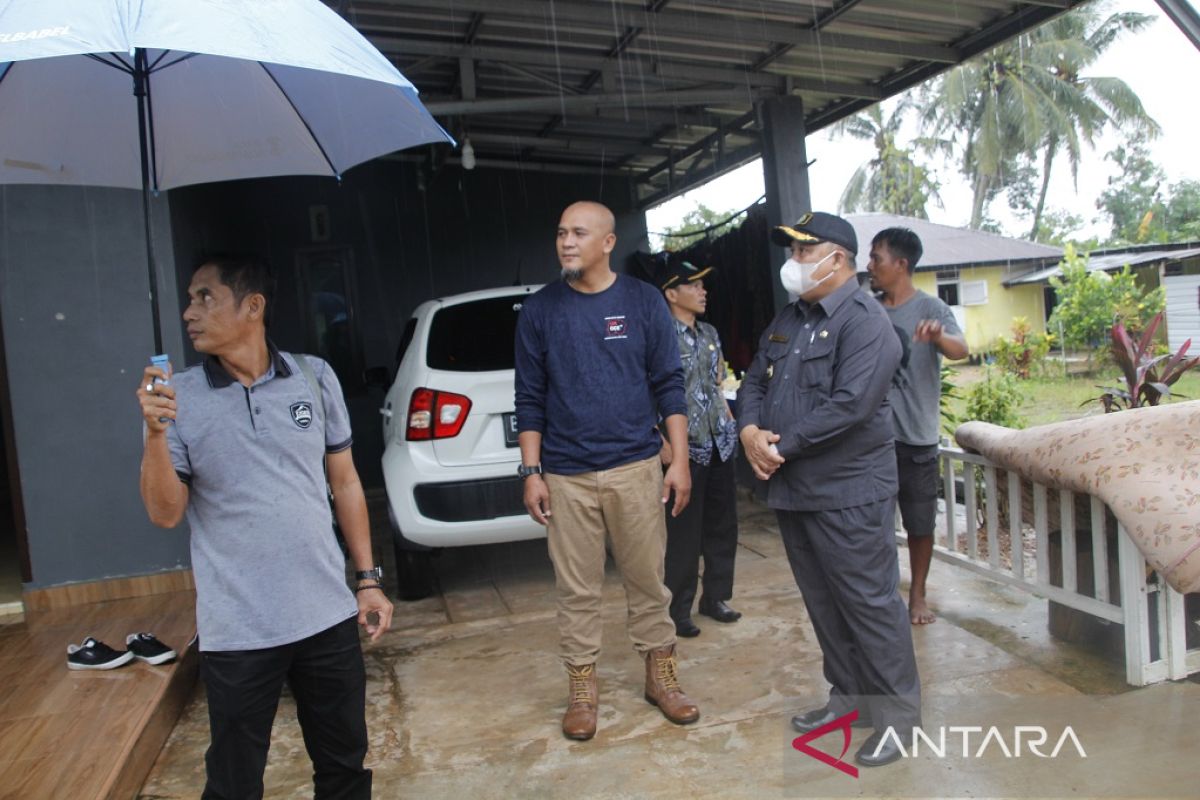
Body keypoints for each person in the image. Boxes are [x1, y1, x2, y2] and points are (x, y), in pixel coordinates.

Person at [137, 255, 392, 799]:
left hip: (324, 613)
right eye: (188, 298)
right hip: (239, 627)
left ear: (253, 306)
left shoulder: (312, 376)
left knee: (345, 767)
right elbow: (164, 512)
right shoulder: (175, 399)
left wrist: (368, 578)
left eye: (205, 297)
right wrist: (156, 436)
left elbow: (345, 483)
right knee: (233, 783)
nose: (189, 311)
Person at [738, 212, 920, 768]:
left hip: (848, 492)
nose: (792, 264)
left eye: (801, 252)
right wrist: (749, 429)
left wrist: (777, 447)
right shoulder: (791, 317)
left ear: (836, 258)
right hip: (795, 491)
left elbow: (851, 406)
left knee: (869, 605)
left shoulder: (866, 323)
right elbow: (750, 380)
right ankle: (849, 699)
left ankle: (898, 719)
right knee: (825, 606)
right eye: (791, 253)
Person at [514, 201, 699, 742]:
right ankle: (582, 691)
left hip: (637, 469)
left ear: (608, 242)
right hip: (567, 476)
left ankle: (661, 678)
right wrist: (532, 471)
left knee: (648, 582)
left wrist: (680, 460)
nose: (566, 242)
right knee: (576, 591)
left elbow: (669, 384)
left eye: (578, 233)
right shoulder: (541, 311)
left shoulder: (642, 302)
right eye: (560, 232)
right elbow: (529, 398)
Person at [867, 228, 969, 625]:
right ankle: (880, 596)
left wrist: (938, 335)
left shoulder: (931, 309)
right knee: (873, 525)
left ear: (901, 264)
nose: (870, 266)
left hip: (917, 440)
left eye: (877, 258)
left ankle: (919, 595)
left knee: (919, 525)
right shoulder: (867, 308)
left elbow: (962, 350)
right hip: (873, 441)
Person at [656, 257, 741, 638]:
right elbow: (646, 393)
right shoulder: (657, 337)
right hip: (684, 450)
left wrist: (732, 426)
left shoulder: (709, 332)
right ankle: (678, 610)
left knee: (723, 526)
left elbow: (717, 384)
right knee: (684, 535)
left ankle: (716, 597)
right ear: (671, 293)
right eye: (693, 285)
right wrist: (658, 442)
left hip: (720, 443)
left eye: (703, 285)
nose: (702, 291)